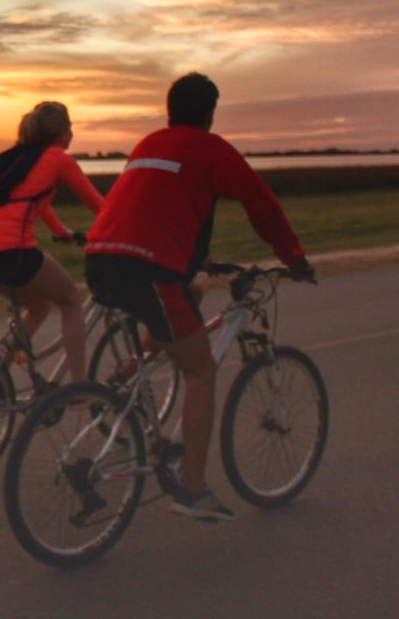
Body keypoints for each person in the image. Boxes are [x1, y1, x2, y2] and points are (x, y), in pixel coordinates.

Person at [84, 73, 315, 522]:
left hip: (101, 261)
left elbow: (157, 206)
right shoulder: (212, 149)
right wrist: (295, 259)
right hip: (149, 272)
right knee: (201, 370)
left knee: (185, 295)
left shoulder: (150, 143)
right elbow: (261, 205)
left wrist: (196, 260)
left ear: (170, 110)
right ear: (211, 112)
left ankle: (129, 373)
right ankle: (192, 490)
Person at [0, 101, 105, 383]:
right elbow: (100, 206)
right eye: (71, 127)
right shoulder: (57, 158)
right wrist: (125, 229)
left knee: (39, 307)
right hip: (11, 253)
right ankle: (80, 388)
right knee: (71, 300)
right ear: (63, 133)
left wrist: (60, 231)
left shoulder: (19, 158)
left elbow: (37, 203)